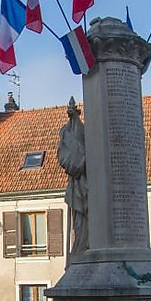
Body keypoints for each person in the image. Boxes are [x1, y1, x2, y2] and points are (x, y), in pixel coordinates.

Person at [58, 97, 88, 254]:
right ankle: (79, 246)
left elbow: (80, 156)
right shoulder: (65, 133)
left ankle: (83, 245)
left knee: (83, 215)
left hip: (84, 181)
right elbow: (63, 158)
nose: (71, 116)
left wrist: (79, 162)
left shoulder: (83, 132)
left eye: (73, 113)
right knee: (78, 219)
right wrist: (74, 164)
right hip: (75, 182)